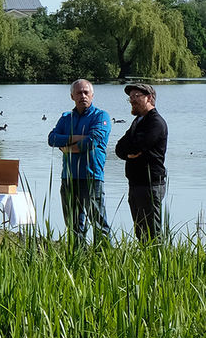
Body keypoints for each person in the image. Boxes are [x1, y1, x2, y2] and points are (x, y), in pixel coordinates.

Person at [47, 78, 111, 245]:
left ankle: (104, 259)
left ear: (92, 95)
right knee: (74, 225)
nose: (83, 96)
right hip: (69, 177)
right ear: (72, 96)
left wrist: (67, 147)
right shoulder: (66, 118)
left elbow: (92, 141)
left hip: (91, 177)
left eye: (86, 92)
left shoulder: (101, 116)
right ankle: (77, 258)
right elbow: (52, 139)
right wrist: (76, 138)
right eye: (79, 93)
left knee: (99, 224)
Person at [114, 81, 168, 241]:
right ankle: (146, 263)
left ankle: (158, 263)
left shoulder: (155, 122)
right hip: (136, 183)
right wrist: (129, 153)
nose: (132, 100)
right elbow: (119, 148)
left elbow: (137, 146)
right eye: (130, 97)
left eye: (136, 96)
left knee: (152, 232)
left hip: (150, 184)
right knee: (140, 232)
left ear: (149, 98)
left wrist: (130, 150)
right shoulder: (138, 121)